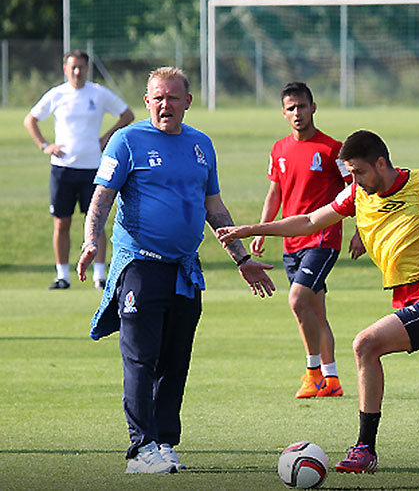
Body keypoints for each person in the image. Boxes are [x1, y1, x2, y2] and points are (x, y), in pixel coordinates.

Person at [217, 130, 419, 475]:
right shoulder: (358, 194)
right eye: (351, 174)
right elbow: (310, 221)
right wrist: (253, 229)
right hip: (412, 300)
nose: (354, 180)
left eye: (359, 172)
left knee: (365, 344)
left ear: (380, 163)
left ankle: (365, 448)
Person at [76, 67, 276, 474]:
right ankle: (139, 449)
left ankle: (164, 442)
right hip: (140, 266)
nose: (165, 104)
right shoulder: (127, 140)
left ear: (188, 100)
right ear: (147, 101)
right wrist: (91, 240)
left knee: (175, 360)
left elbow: (214, 208)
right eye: (157, 97)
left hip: (185, 271)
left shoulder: (201, 145)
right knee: (140, 358)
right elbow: (101, 198)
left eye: (173, 97)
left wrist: (242, 258)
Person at [251, 82, 360, 398]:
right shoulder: (279, 149)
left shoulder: (332, 150)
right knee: (314, 311)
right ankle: (332, 379)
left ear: (314, 107)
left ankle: (312, 374)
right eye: (291, 108)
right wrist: (262, 228)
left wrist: (359, 233)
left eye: (302, 106)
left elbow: (357, 191)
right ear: (283, 113)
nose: (297, 113)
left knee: (297, 299)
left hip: (323, 238)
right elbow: (275, 193)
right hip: (291, 243)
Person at [24, 49, 134, 290]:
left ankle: (100, 275)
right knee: (61, 223)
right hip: (63, 168)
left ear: (87, 68)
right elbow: (30, 119)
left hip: (93, 168)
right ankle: (62, 275)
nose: (77, 71)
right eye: (72, 67)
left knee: (96, 221)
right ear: (65, 69)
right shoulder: (57, 94)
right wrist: (45, 145)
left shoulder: (98, 93)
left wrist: (107, 137)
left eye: (81, 67)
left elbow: (127, 114)